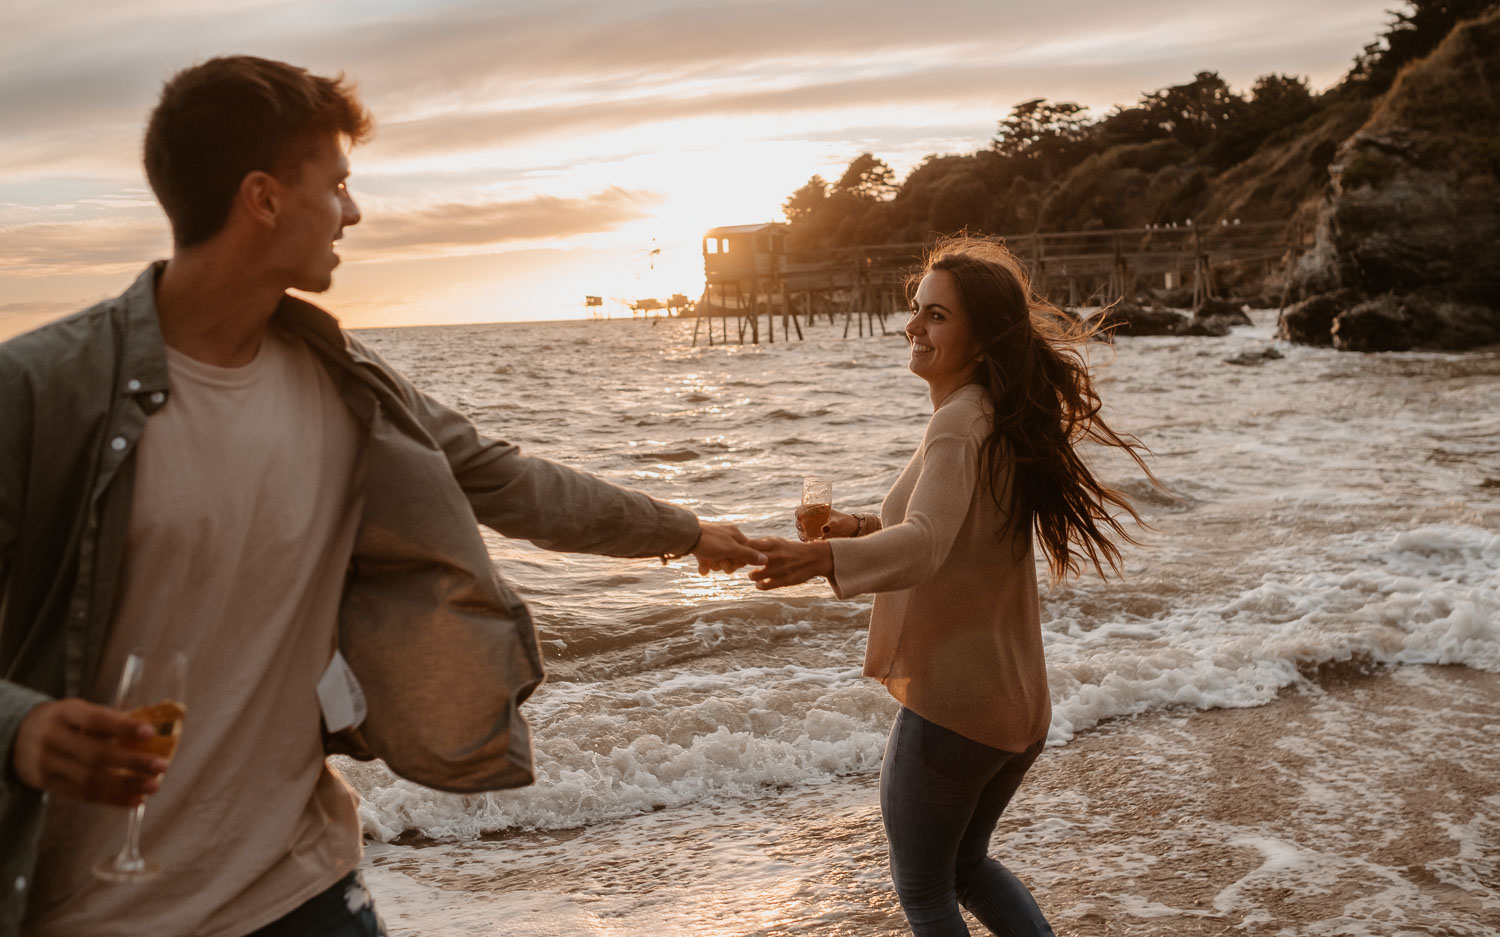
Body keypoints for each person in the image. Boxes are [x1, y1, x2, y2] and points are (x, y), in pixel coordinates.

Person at [0, 55, 763, 937]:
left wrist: (688, 531)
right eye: (339, 184)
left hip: (306, 890)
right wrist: (21, 726)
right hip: (91, 910)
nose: (353, 212)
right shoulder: (41, 392)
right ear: (264, 198)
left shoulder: (350, 388)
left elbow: (512, 482)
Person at [747, 236, 1156, 936]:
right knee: (967, 867)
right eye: (917, 311)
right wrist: (854, 525)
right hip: (1017, 703)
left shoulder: (957, 425)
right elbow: (948, 525)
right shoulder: (995, 414)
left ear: (981, 336)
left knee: (925, 889)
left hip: (955, 708)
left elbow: (928, 544)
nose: (912, 326)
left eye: (935, 315)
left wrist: (819, 561)